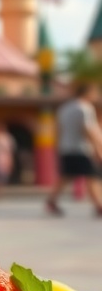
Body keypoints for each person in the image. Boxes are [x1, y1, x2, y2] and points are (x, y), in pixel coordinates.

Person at [46, 83, 102, 216]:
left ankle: (51, 201)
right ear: (88, 92)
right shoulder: (84, 108)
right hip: (81, 149)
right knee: (92, 175)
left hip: (66, 148)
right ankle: (99, 205)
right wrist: (98, 148)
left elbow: (58, 130)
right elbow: (88, 130)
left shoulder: (64, 108)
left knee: (65, 176)